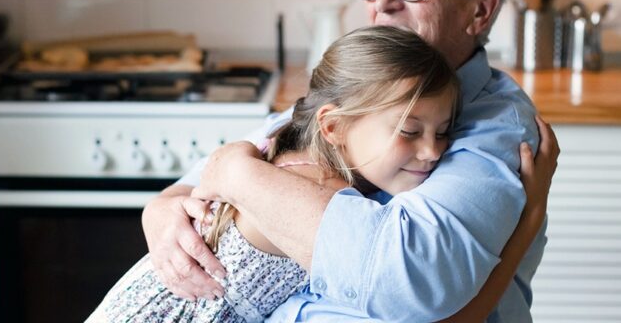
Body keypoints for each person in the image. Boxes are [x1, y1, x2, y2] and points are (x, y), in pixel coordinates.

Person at [142, 0, 560, 321]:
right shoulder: (364, 93)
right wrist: (160, 213)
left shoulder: (499, 130)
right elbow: (191, 189)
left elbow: (406, 279)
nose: (382, 1)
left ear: (480, 9)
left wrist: (237, 173)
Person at [89, 26, 552, 322]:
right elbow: (439, 316)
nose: (433, 152)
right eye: (409, 131)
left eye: (445, 131)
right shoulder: (314, 190)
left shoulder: (296, 148)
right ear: (332, 126)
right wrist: (527, 223)